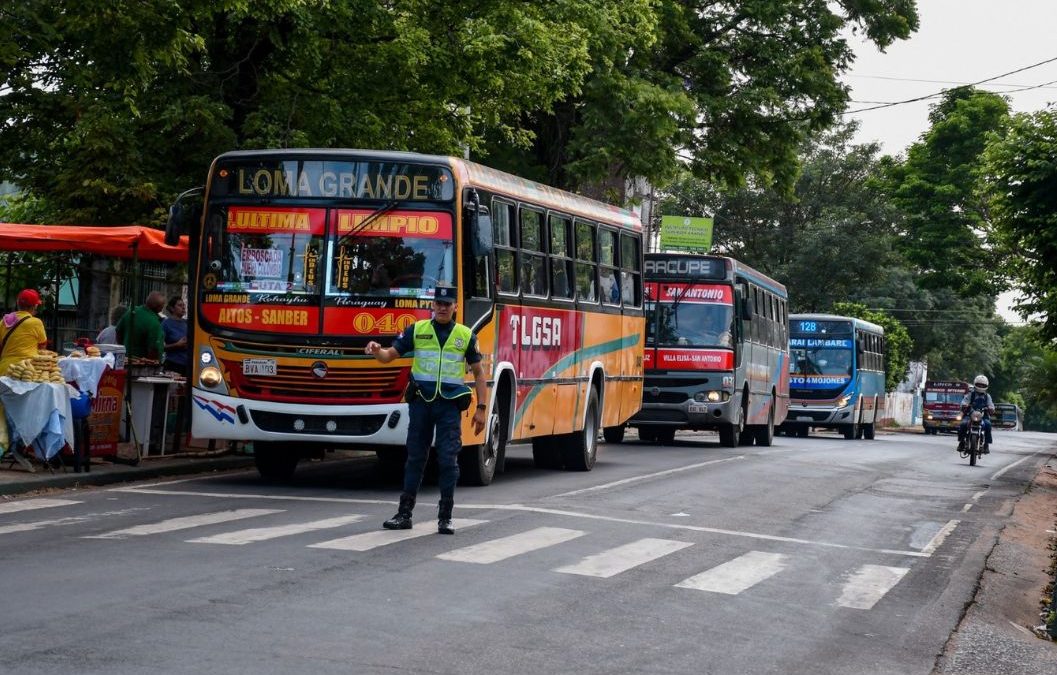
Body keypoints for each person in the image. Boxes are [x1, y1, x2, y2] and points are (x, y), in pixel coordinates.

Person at [364, 283, 487, 534]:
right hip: (421, 403)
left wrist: (482, 408)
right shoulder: (417, 330)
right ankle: (404, 513)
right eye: (438, 304)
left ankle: (445, 517)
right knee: (415, 458)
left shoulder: (465, 335)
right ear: (432, 306)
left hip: (448, 407)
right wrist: (377, 351)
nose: (442, 308)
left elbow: (479, 373)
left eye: (447, 304)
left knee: (447, 460)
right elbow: (390, 356)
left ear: (455, 306)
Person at [0, 289, 48, 375]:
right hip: (25, 371)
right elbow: (42, 346)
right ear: (35, 306)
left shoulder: (4, 321)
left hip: (4, 370)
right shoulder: (36, 322)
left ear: (18, 303)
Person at [116, 291, 165, 361]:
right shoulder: (154, 323)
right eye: (163, 305)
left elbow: (118, 331)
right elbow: (154, 349)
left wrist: (122, 349)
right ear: (159, 307)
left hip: (126, 359)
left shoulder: (132, 311)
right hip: (142, 364)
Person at [957, 374, 995, 454]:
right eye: (979, 384)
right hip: (970, 415)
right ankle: (962, 442)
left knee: (988, 425)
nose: (980, 386)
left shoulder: (987, 396)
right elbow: (964, 402)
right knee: (963, 424)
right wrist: (964, 405)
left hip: (983, 416)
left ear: (986, 386)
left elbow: (991, 405)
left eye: (982, 385)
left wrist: (991, 408)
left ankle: (986, 444)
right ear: (975, 384)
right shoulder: (970, 394)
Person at [161, 296, 189, 376]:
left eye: (184, 305)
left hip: (187, 365)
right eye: (180, 305)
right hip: (173, 365)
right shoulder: (166, 324)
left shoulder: (187, 323)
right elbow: (160, 347)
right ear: (172, 309)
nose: (183, 308)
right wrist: (176, 345)